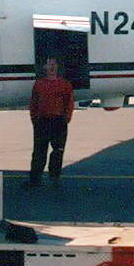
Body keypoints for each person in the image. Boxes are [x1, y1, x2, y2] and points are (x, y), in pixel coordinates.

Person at [29, 57, 75, 186]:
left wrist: (67, 118)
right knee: (39, 151)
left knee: (58, 151)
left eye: (54, 65)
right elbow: (33, 103)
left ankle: (54, 177)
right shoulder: (39, 84)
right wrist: (34, 118)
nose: (52, 67)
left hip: (58, 121)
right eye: (49, 64)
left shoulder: (65, 84)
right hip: (42, 121)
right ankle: (35, 178)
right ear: (45, 67)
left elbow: (69, 103)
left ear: (57, 67)